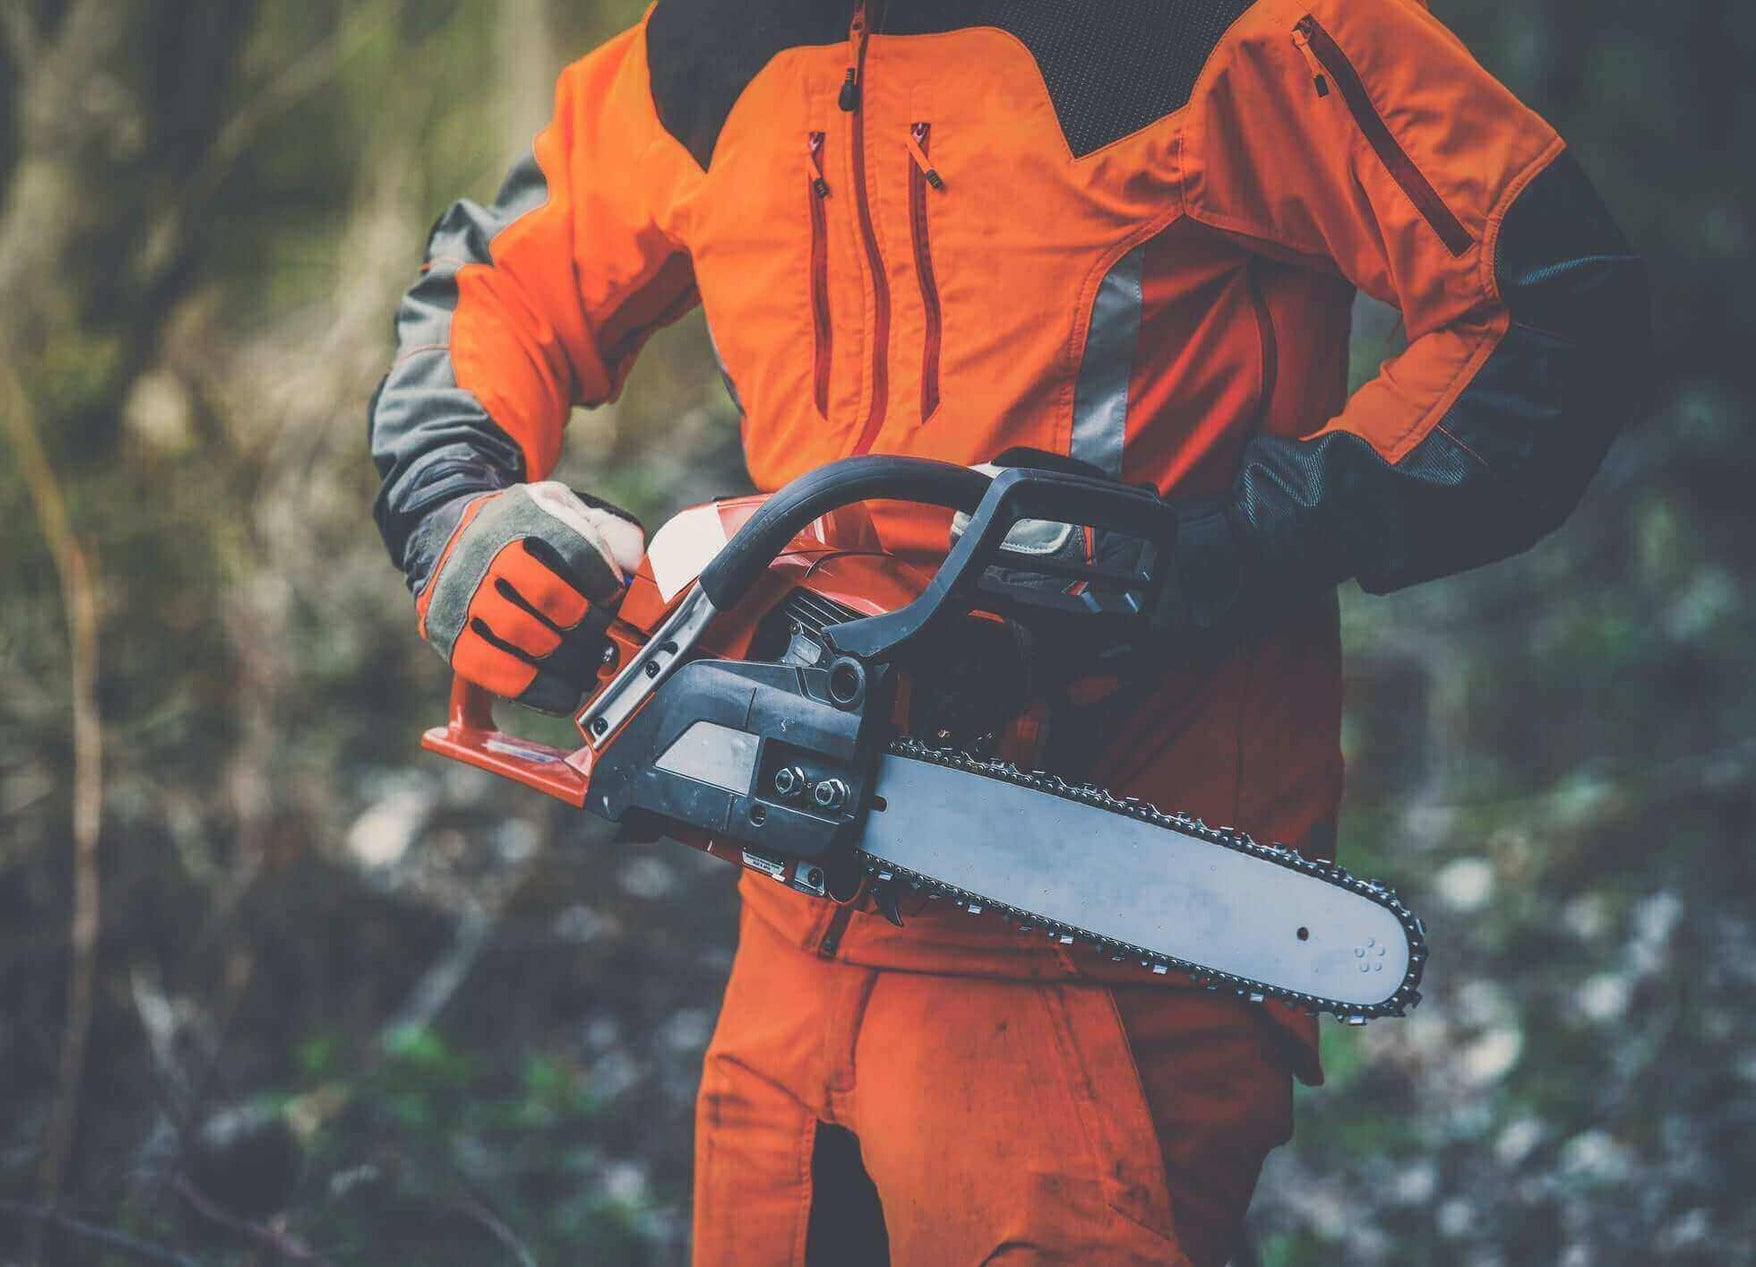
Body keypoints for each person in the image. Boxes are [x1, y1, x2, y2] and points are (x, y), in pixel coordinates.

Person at [369, 1, 1648, 1261]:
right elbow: (499, 282)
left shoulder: (1225, 28)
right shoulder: (709, 45)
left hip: (1108, 938)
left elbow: (1547, 302)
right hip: (792, 922)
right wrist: (453, 504)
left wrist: (1215, 553)